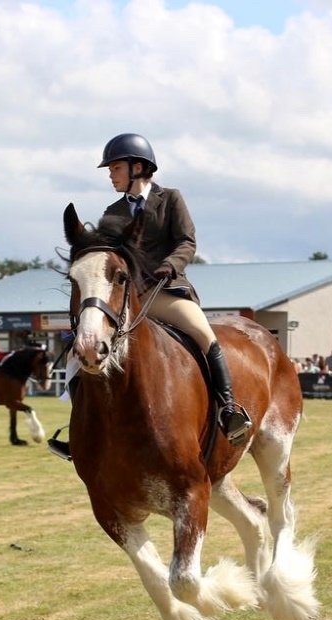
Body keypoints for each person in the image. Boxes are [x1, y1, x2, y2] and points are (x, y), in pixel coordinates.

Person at [48, 133, 251, 460]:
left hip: (166, 290)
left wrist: (169, 266)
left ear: (137, 167)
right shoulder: (112, 211)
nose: (110, 176)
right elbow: (110, 257)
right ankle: (82, 431)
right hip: (128, 297)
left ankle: (228, 409)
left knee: (204, 334)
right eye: (110, 170)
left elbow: (187, 241)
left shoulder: (170, 199)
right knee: (77, 356)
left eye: (115, 168)